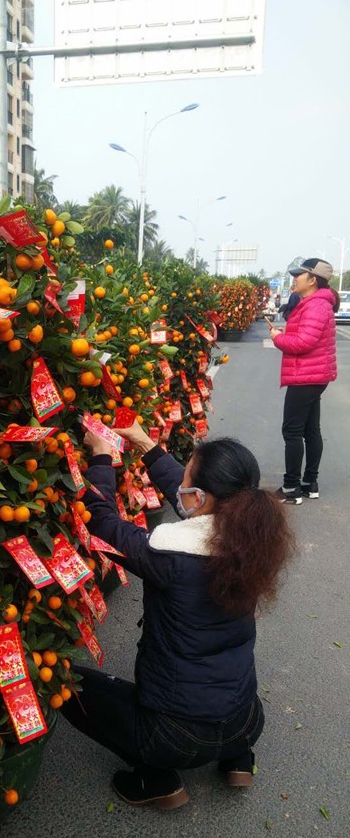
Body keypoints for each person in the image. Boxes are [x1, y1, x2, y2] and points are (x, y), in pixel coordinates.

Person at [62, 422, 294, 810]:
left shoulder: (168, 555)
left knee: (66, 684)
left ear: (201, 497)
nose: (180, 484)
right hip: (246, 721)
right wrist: (145, 443)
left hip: (177, 737)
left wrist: (100, 456)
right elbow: (194, 503)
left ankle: (156, 780)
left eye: (187, 477)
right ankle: (237, 758)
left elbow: (101, 520)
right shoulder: (252, 541)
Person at [267, 258, 338, 503]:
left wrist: (278, 338)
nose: (295, 278)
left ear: (313, 280)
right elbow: (306, 336)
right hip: (313, 375)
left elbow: (303, 342)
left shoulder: (316, 305)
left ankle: (291, 488)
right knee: (310, 430)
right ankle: (310, 483)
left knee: (293, 431)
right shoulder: (314, 303)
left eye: (299, 275)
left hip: (306, 376)